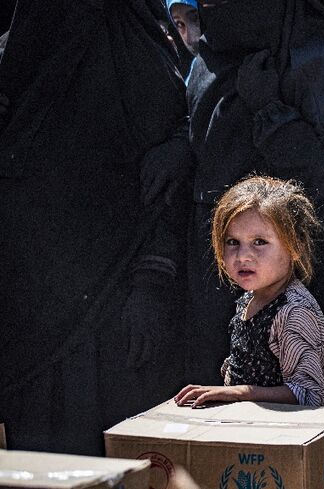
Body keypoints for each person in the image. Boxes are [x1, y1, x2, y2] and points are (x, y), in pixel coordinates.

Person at [0, 0, 190, 454]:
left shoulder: (136, 44)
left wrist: (150, 284)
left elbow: (167, 177)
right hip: (28, 308)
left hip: (114, 310)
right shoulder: (22, 44)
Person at [185, 0, 324, 408]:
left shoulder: (316, 57)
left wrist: (272, 115)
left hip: (312, 296)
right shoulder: (209, 60)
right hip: (219, 299)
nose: (216, 11)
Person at [175, 176, 324, 408]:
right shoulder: (249, 300)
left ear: (294, 246)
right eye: (232, 242)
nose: (242, 256)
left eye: (259, 242)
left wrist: (240, 393)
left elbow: (308, 394)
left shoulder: (294, 313)